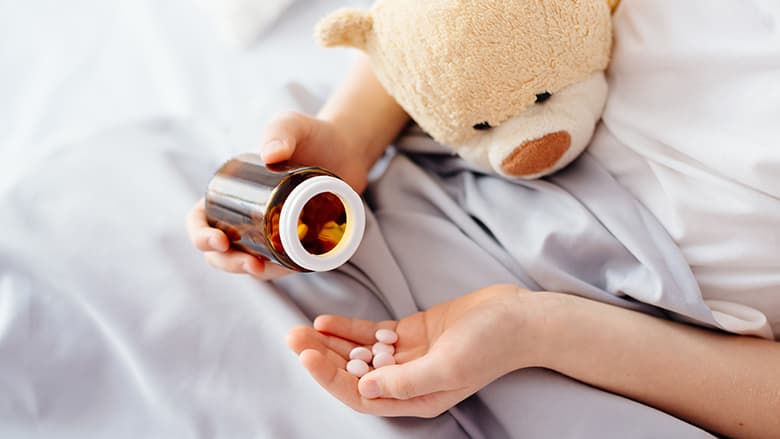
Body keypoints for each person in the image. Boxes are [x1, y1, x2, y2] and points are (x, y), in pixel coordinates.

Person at [186, 3, 780, 437]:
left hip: (620, 343)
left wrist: (539, 331)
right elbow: (465, 20)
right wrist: (352, 137)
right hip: (422, 161)